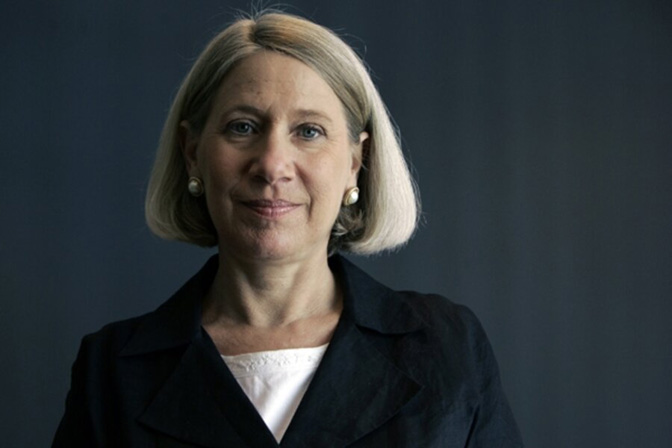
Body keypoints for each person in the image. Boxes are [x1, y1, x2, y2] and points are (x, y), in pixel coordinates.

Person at [53, 11, 523, 447]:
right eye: (242, 127)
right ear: (192, 154)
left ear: (355, 163)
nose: (272, 164)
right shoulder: (111, 372)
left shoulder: (446, 347)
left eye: (309, 131)